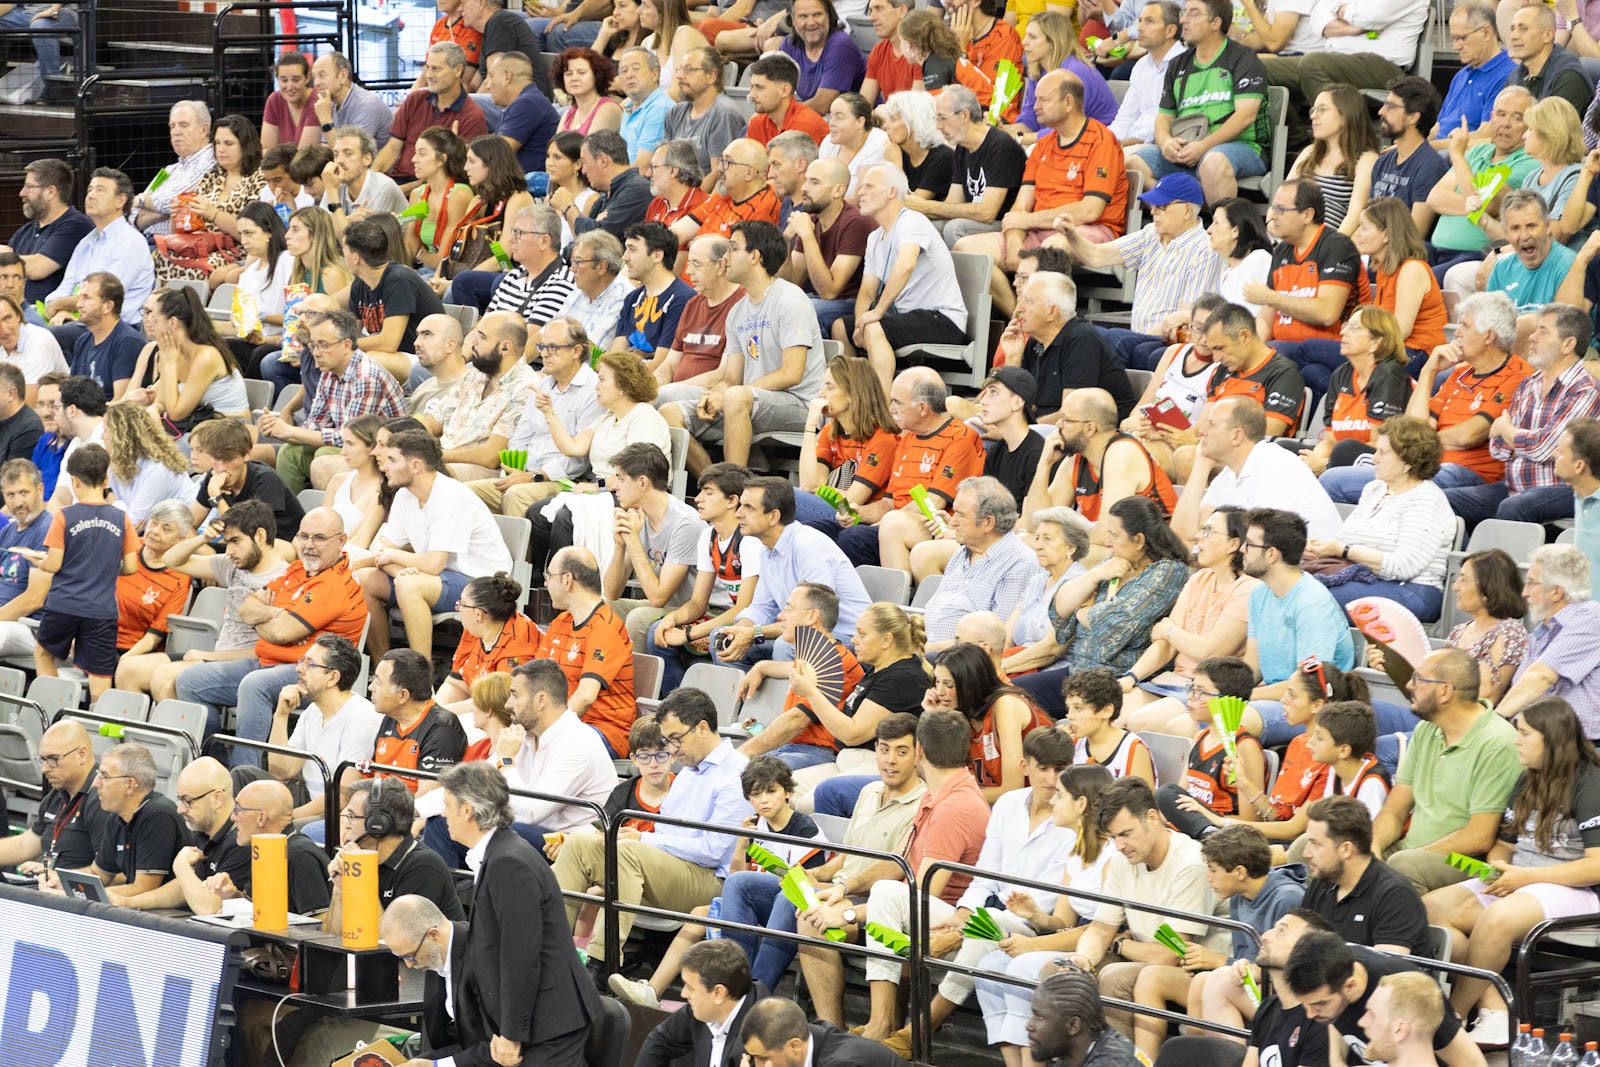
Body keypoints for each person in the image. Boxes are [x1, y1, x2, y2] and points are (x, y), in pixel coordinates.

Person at [792, 708, 990, 1028]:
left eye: (903, 750)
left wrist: (844, 914)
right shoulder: (940, 796)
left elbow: (916, 898)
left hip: (943, 927)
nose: (891, 759)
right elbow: (897, 863)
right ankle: (851, 1029)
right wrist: (842, 889)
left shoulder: (953, 807)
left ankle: (880, 1028)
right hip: (910, 912)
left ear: (920, 752)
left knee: (844, 909)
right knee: (816, 911)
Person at [1422, 697, 1600, 1047]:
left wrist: (1524, 878)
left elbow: (1596, 865)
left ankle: (1451, 1021)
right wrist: (1495, 869)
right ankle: (1494, 1007)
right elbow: (1503, 845)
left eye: (1524, 733)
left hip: (1575, 889)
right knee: (1429, 908)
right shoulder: (1527, 778)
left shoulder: (1590, 783)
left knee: (1498, 919)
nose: (1516, 740)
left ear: (1551, 738)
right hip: (1521, 879)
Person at [397, 764, 600, 1064]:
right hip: (539, 1019)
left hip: (549, 1024)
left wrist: (511, 1033)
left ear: (467, 810)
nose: (443, 815)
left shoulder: (509, 863)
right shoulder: (499, 855)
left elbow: (521, 955)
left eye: (448, 806)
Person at [553, 688, 752, 981]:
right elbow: (665, 833)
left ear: (702, 728)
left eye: (675, 739)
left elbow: (713, 851)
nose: (672, 748)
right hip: (672, 868)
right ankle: (550, 949)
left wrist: (642, 839)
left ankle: (600, 963)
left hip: (711, 881)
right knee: (580, 844)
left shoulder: (735, 774)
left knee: (628, 851)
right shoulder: (688, 772)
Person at [174, 506, 369, 768]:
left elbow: (281, 631)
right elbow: (246, 608)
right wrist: (274, 615)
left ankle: (244, 775)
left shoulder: (335, 583)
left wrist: (268, 619)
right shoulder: (298, 570)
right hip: (267, 661)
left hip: (318, 673)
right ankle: (214, 764)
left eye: (319, 538)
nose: (309, 545)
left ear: (341, 541)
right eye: (303, 537)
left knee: (255, 685)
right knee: (188, 681)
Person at [1061, 776, 1229, 1038]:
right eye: (1114, 837)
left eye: (1126, 834)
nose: (1119, 846)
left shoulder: (1190, 863)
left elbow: (1171, 954)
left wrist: (1119, 944)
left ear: (1152, 818)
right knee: (1059, 971)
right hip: (1144, 955)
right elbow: (1099, 930)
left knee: (1115, 977)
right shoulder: (1121, 860)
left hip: (1195, 970)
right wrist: (1082, 959)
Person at [1325, 292, 1529, 505]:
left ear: (1488, 336)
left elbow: (1469, 435)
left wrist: (1422, 444)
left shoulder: (1517, 376)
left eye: (1464, 326)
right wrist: (1429, 371)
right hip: (1426, 465)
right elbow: (1415, 426)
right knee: (1335, 476)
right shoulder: (1459, 373)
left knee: (1335, 481)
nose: (1456, 333)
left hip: (1468, 473)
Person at [659, 220, 824, 474]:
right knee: (670, 411)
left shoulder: (790, 299)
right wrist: (715, 393)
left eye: (733, 248)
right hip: (750, 400)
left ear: (755, 257)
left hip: (799, 404)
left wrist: (731, 393)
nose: (726, 257)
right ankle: (714, 481)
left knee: (736, 396)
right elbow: (732, 378)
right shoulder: (738, 311)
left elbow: (792, 373)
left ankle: (732, 486)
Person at [1133, 823, 1306, 1059]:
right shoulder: (1238, 897)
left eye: (1213, 870)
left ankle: (1233, 1059)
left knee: (1216, 980)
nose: (1208, 878)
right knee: (1174, 977)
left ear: (1239, 872)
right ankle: (1173, 1059)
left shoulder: (1288, 898)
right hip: (1244, 980)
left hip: (1280, 995)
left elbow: (1290, 972)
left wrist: (1220, 961)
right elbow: (1243, 959)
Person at [423, 658, 618, 864]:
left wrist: (506, 761)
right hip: (533, 837)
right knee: (442, 822)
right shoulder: (524, 735)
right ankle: (440, 896)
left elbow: (529, 813)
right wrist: (413, 808)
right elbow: (469, 784)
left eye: (514, 695)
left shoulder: (578, 743)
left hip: (568, 848)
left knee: (494, 828)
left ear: (540, 700)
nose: (507, 704)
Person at [1371, 647, 1524, 894]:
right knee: (1338, 849)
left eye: (1418, 679)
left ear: (1445, 691)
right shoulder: (1426, 730)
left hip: (1474, 863)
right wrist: (1374, 847)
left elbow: (1479, 838)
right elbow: (1394, 811)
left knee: (1403, 864)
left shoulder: (1498, 742)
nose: (1410, 685)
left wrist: (1406, 857)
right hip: (1411, 851)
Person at [1452, 303, 1600, 525]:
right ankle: (1470, 558)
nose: (1532, 337)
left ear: (1568, 344)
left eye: (1543, 331)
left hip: (1563, 488)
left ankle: (1502, 560)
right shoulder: (1528, 384)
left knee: (1515, 506)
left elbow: (1546, 447)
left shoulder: (1584, 390)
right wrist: (1520, 440)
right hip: (1512, 486)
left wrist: (1509, 432)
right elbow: (1498, 448)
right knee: (1444, 500)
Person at [1303, 416, 1456, 621]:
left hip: (1414, 590)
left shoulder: (1426, 499)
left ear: (1407, 462)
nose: (1374, 458)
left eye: (1383, 452)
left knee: (1312, 598)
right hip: (1366, 578)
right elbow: (1346, 540)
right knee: (1286, 585)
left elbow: (1404, 566)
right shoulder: (1374, 489)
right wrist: (1318, 549)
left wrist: (1344, 550)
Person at [1125, 0, 1269, 204]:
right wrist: (1166, 142)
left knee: (1212, 162)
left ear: (1215, 23)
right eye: (1184, 13)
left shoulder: (1243, 58)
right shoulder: (1178, 64)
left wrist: (1203, 147)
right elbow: (1163, 117)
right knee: (1134, 163)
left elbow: (1246, 116)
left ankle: (1219, 226)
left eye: (1193, 13)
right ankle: (1185, 213)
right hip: (1189, 148)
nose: (1183, 19)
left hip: (1241, 146)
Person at [720, 476, 873, 662]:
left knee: (786, 645)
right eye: (741, 505)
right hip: (801, 631)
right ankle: (745, 692)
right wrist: (742, 630)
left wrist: (754, 632)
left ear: (773, 516)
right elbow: (762, 607)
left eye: (748, 507)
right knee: (721, 639)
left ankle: (792, 692)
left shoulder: (807, 545)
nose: (738, 514)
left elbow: (814, 620)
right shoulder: (766, 549)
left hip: (848, 639)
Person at [844, 164, 968, 391]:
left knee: (875, 326)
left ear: (891, 192)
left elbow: (906, 264)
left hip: (943, 319)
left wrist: (877, 313)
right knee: (841, 327)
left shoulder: (912, 221)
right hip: (908, 319)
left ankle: (880, 405)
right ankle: (855, 396)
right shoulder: (874, 237)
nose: (860, 192)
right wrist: (860, 322)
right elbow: (867, 290)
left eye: (869, 186)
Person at [1280, 930, 1486, 1067]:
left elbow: (1471, 1062)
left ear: (1350, 986)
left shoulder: (1401, 990)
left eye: (1319, 1004)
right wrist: (1336, 1060)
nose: (1310, 1014)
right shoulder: (1334, 969)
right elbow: (1333, 1017)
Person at [259, 307, 406, 495]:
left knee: (324, 454)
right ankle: (290, 519)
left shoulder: (365, 377)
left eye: (323, 345)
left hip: (380, 452)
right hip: (353, 446)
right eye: (313, 345)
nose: (317, 353)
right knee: (289, 452)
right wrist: (281, 430)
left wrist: (290, 430)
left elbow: (353, 437)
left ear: (346, 345)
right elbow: (315, 424)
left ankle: (330, 520)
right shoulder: (329, 372)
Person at [30, 444, 137, 700]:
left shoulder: (64, 516)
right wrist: (106, 566)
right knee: (99, 675)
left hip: (64, 604)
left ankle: (51, 710)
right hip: (101, 610)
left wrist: (37, 561)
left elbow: (54, 564)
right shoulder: (122, 518)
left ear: (74, 480)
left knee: (44, 653)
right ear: (106, 479)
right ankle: (100, 730)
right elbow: (131, 567)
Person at [1171, 393, 1340, 545]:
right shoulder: (1231, 471)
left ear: (1236, 436)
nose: (1201, 431)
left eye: (1211, 425)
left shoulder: (1274, 466)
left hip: (1311, 568)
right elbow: (1182, 534)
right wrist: (1202, 464)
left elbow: (1261, 549)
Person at [48, 743, 185, 906]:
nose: (96, 784)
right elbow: (98, 874)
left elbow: (143, 888)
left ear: (129, 785)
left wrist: (72, 894)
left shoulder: (157, 815)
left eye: (104, 777)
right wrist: (62, 881)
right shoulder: (116, 818)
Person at [536, 547, 640, 757]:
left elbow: (585, 696)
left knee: (548, 751)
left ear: (567, 580)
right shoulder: (561, 622)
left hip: (604, 730)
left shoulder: (605, 627)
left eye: (549, 576)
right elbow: (534, 679)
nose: (546, 583)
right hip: (567, 724)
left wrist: (548, 733)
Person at [1299, 794, 1431, 954]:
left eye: (1315, 844)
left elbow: (1388, 968)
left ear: (1346, 849)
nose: (1306, 853)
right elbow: (1298, 944)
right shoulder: (1322, 882)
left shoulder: (1395, 895)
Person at [1154, 657, 1268, 839]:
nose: (1190, 696)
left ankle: (1207, 835)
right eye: (1191, 688)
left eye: (1201, 692)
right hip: (1190, 828)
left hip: (1225, 833)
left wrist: (1209, 818)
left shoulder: (1245, 746)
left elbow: (1251, 821)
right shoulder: (1200, 736)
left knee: (1165, 793)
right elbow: (1181, 794)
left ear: (1227, 701)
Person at [1248, 180, 1366, 355]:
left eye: (1281, 209)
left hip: (1332, 352)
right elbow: (1266, 321)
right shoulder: (1281, 251)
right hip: (1287, 351)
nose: (1272, 216)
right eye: (1273, 208)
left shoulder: (1336, 247)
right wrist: (1248, 349)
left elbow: (1327, 313)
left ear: (1307, 215)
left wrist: (1271, 297)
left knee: (1279, 355)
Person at [1426, 87, 1537, 272]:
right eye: (1501, 114)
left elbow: (1489, 205)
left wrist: (1457, 156)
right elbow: (1435, 198)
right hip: (1436, 250)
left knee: (1419, 284)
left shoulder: (1528, 161)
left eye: (1517, 118)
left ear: (1529, 126)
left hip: (1475, 255)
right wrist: (1474, 203)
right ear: (1491, 117)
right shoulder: (1477, 152)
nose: (1505, 124)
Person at [41, 169, 155, 344]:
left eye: (100, 190)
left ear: (120, 200)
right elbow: (63, 289)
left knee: (45, 338)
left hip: (114, 329)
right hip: (80, 322)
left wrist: (59, 305)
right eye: (90, 190)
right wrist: (61, 310)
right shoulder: (86, 243)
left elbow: (103, 298)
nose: (91, 196)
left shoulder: (131, 242)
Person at [914, 85, 1027, 250]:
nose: (938, 126)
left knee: (955, 229)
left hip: (1005, 225)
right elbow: (953, 203)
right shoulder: (962, 147)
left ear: (964, 115)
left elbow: (987, 213)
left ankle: (962, 276)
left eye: (942, 118)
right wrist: (917, 211)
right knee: (922, 227)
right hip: (978, 220)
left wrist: (925, 206)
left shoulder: (1000, 146)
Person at [0, 720, 108, 875]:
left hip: (76, 895)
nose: (44, 769)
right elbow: (24, 845)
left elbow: (114, 875)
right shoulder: (58, 794)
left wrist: (58, 875)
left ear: (82, 755)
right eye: (43, 760)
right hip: (48, 887)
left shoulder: (104, 799)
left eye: (53, 760)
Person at [780, 159, 872, 336]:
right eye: (806, 180)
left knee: (806, 310)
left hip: (855, 303)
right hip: (823, 300)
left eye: (815, 182)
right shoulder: (812, 220)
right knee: (774, 305)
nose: (804, 188)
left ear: (838, 190)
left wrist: (807, 236)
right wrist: (785, 240)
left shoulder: (855, 223)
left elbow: (830, 291)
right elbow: (791, 284)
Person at [634, 941, 762, 1067]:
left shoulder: (761, 1038)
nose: (683, 993)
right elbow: (660, 1041)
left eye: (690, 987)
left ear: (718, 993)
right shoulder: (701, 1008)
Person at [375, 43, 490, 183]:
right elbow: (392, 148)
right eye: (427, 68)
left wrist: (400, 192)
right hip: (398, 181)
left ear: (458, 70)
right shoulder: (415, 99)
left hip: (434, 188)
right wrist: (370, 181)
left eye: (436, 69)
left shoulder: (472, 116)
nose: (428, 75)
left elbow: (454, 174)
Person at [1288, 85, 1379, 234]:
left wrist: (1331, 250)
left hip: (1328, 244)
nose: (1313, 116)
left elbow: (1355, 214)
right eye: (1313, 109)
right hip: (1291, 238)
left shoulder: (1366, 159)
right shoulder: (1309, 152)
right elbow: (1283, 199)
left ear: (1345, 116)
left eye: (1322, 110)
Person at [3, 159, 93, 305]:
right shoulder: (24, 232)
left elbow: (38, 268)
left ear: (50, 192)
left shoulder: (75, 225)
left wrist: (4, 256)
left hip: (51, 316)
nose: (22, 193)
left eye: (29, 187)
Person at [1369, 77, 1448, 235]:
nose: (1381, 111)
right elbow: (1367, 220)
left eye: (1391, 106)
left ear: (1413, 117)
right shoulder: (1382, 162)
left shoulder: (1430, 167)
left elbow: (1414, 236)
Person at [612, 221, 695, 368]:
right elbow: (615, 355)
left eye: (632, 249)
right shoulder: (632, 298)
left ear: (657, 255)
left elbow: (660, 364)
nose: (625, 257)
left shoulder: (682, 299)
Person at [738, 998, 908, 1067]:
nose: (757, 1065)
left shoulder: (842, 1064)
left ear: (794, 1046)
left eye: (763, 1058)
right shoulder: (809, 1036)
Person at [131, 102, 217, 238]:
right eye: (172, 126)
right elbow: (132, 214)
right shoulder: (170, 170)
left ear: (204, 129)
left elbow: (172, 202)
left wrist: (142, 201)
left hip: (175, 247)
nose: (176, 132)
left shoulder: (211, 162)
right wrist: (159, 210)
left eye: (184, 125)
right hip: (146, 240)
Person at [1435, 2, 1516, 143]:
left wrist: (1426, 151)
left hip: (1464, 155)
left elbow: (1485, 134)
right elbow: (1438, 127)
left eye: (1461, 38)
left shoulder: (1507, 74)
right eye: (1453, 38)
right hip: (1437, 151)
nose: (1456, 46)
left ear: (1486, 32)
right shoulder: (1460, 75)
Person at [1109, 1, 1186, 149]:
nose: (1140, 28)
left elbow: (1167, 120)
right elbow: (1125, 117)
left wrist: (1126, 143)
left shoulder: (1185, 65)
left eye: (1149, 22)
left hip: (1164, 145)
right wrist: (1108, 140)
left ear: (1170, 31)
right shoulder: (1141, 65)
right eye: (1140, 21)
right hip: (1131, 143)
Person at [662, 48, 751, 172]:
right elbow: (665, 162)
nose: (680, 76)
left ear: (711, 76)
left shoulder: (723, 114)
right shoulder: (675, 112)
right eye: (679, 69)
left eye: (689, 70)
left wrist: (687, 193)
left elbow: (718, 174)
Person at [1505, 3, 1594, 116]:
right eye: (1512, 29)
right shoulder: (1516, 76)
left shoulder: (1569, 78)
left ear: (1548, 35)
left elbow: (1552, 132)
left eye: (1523, 29)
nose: (1514, 36)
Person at [323, 127, 409, 236]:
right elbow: (318, 233)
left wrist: (331, 191)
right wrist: (349, 220)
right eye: (336, 155)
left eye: (348, 154)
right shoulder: (334, 183)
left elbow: (356, 244)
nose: (339, 160)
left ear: (367, 159)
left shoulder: (383, 188)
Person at [311, 51, 393, 153]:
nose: (316, 83)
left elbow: (348, 154)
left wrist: (326, 120)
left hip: (375, 168)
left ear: (343, 76)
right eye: (314, 77)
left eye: (322, 75)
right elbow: (326, 150)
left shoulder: (366, 105)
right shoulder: (329, 103)